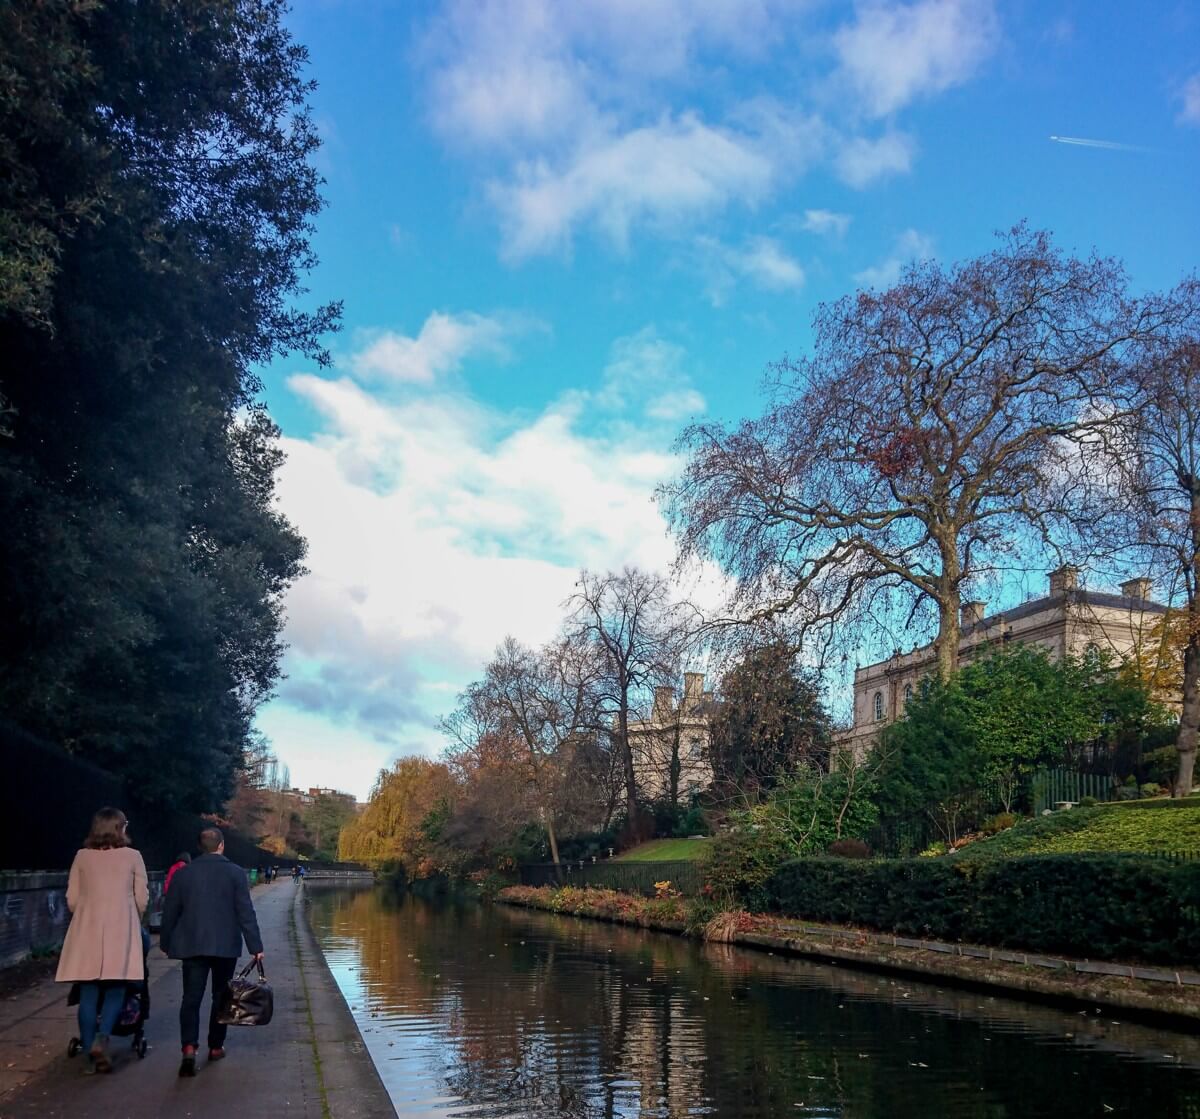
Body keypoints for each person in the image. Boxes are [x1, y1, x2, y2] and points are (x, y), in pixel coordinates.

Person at [160, 826, 264, 1078]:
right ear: (221, 845)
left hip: (192, 944)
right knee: (221, 997)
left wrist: (166, 941)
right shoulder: (236, 874)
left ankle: (188, 1047)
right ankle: (215, 1047)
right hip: (225, 946)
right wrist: (255, 946)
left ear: (200, 847)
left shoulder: (184, 874)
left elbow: (170, 911)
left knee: (191, 998)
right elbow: (245, 912)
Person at [56, 807, 149, 1074]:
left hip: (87, 932)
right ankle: (102, 1038)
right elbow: (141, 898)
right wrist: (132, 917)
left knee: (88, 993)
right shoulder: (133, 857)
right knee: (116, 989)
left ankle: (88, 1053)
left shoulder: (82, 857)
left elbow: (72, 899)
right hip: (121, 931)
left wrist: (87, 912)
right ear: (119, 828)